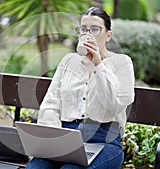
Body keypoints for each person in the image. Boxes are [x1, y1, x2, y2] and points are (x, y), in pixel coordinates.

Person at [26, 6, 135, 169]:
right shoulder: (69, 61)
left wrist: (99, 64)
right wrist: (54, 140)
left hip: (103, 140)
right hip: (65, 137)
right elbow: (51, 103)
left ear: (108, 35)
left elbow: (114, 104)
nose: (87, 34)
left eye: (95, 29)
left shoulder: (122, 62)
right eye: (83, 29)